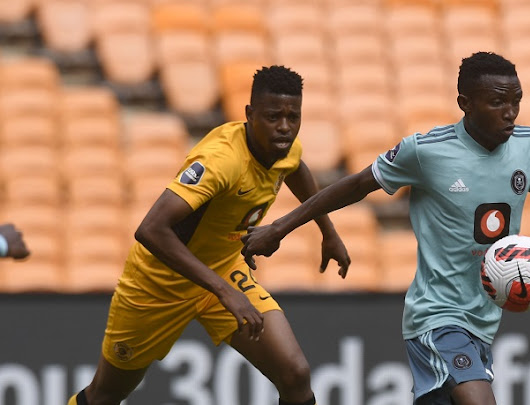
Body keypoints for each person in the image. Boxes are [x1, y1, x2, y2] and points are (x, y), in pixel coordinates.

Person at [240, 52, 530, 405]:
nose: (511, 113)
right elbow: (355, 185)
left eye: (516, 101)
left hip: (483, 321)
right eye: (497, 102)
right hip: (437, 316)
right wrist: (281, 227)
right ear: (465, 103)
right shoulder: (426, 150)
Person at [69, 65, 350, 405]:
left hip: (222, 268)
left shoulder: (283, 145)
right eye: (274, 116)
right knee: (105, 395)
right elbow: (150, 230)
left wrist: (327, 230)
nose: (285, 127)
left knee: (295, 374)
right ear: (249, 114)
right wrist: (223, 292)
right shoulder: (221, 162)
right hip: (159, 283)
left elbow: (296, 167)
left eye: (294, 116)